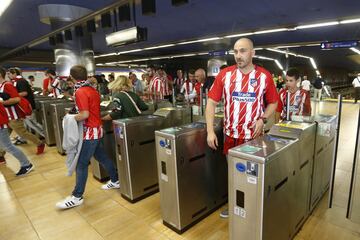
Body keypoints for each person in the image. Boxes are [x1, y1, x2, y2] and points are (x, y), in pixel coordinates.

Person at [206, 38, 278, 218]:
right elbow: (211, 103)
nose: (238, 55)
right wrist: (209, 131)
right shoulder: (225, 75)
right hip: (230, 136)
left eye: (243, 51)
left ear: (252, 53)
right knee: (234, 175)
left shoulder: (264, 76)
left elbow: (273, 103)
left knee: (252, 176)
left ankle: (253, 210)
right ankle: (234, 207)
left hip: (253, 138)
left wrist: (263, 118)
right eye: (236, 51)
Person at [56, 65, 119, 210]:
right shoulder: (92, 89)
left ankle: (77, 196)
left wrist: (70, 118)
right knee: (102, 157)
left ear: (72, 77)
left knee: (81, 164)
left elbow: (84, 114)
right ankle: (115, 180)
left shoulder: (81, 91)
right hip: (97, 129)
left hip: (90, 132)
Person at [0, 68, 45, 155]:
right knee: (3, 137)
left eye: (10, 73)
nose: (9, 75)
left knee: (23, 133)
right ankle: (1, 155)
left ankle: (40, 143)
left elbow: (17, 99)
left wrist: (2, 102)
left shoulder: (8, 85)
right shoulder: (2, 85)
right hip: (4, 116)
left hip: (13, 116)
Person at [0, 101, 34, 175]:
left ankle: (26, 164)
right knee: (6, 146)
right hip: (2, 124)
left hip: (1, 126)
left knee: (8, 147)